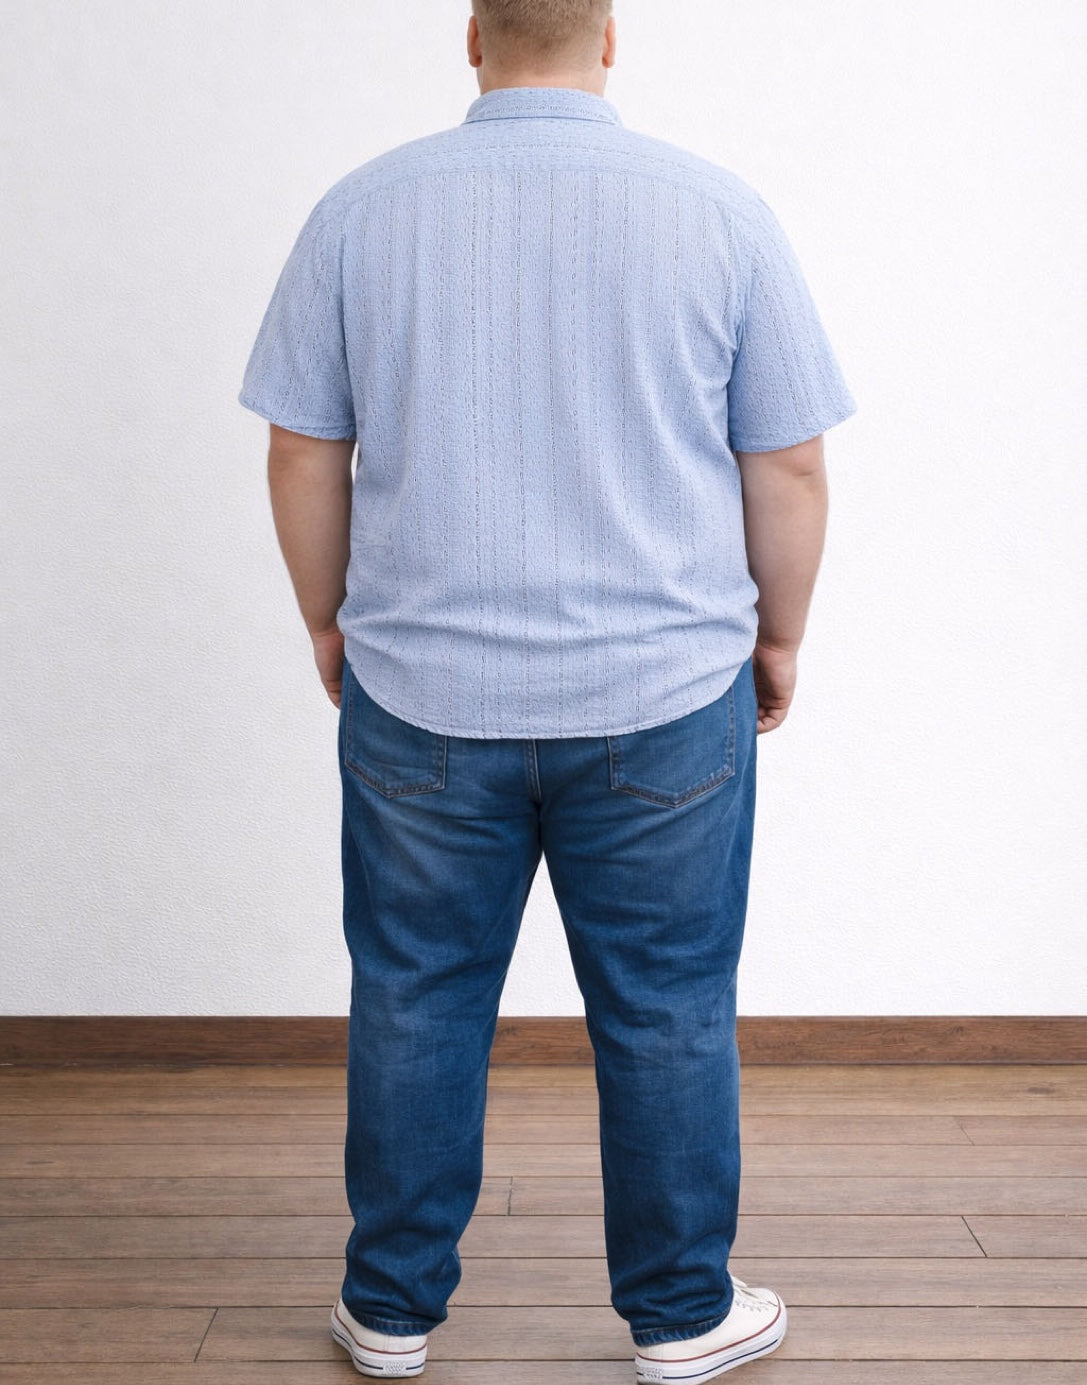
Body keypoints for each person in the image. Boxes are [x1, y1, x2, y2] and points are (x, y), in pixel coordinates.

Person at [238, 1, 856, 1378]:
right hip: (664, 690)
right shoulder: (718, 214)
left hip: (421, 691)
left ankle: (390, 1308)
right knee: (668, 1003)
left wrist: (326, 617)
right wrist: (783, 635)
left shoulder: (362, 211)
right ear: (610, 40)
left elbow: (299, 447)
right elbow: (794, 463)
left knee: (415, 993)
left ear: (473, 39)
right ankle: (684, 1313)